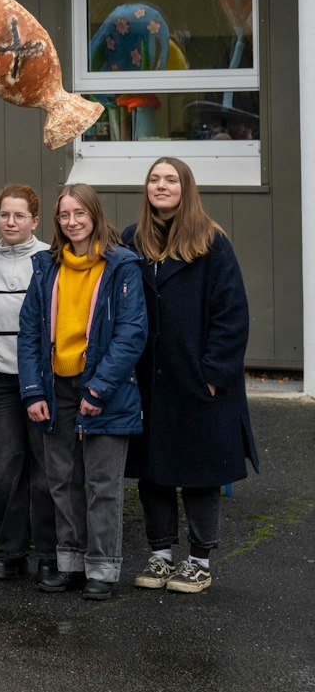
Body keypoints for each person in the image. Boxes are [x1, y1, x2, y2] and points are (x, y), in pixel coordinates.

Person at [123, 158, 257, 595]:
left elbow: (231, 313)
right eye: (154, 179)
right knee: (154, 469)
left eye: (170, 180)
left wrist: (214, 375)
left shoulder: (211, 241)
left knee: (200, 470)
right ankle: (160, 555)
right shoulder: (132, 240)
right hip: (148, 379)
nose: (161, 186)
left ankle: (199, 561)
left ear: (186, 188)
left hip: (198, 379)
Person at [18, 185, 147, 600]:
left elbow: (131, 333)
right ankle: (69, 563)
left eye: (79, 213)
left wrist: (98, 389)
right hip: (56, 386)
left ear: (95, 214)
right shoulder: (46, 266)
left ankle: (103, 569)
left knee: (103, 483)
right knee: (62, 479)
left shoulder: (121, 265)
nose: (71, 222)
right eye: (64, 215)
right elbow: (30, 333)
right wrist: (33, 390)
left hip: (103, 387)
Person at [0, 183, 53, 581]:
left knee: (44, 470)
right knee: (4, 468)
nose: (10, 221)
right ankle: (9, 550)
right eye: (5, 214)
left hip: (41, 378)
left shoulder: (49, 259)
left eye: (19, 215)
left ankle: (49, 552)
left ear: (35, 220)